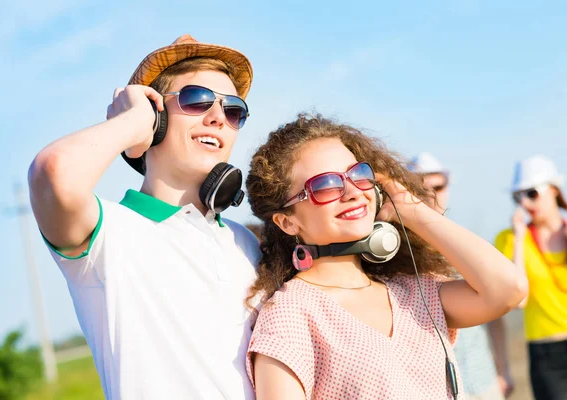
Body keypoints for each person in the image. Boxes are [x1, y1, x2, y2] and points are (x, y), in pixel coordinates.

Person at [28, 34, 260, 399]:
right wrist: (133, 120)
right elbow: (54, 173)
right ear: (157, 117)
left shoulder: (247, 242)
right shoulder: (107, 234)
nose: (218, 117)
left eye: (234, 110)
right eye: (197, 100)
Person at [244, 114, 527, 400]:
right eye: (326, 185)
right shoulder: (290, 315)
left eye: (358, 174)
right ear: (287, 222)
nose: (353, 192)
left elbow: (508, 289)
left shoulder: (413, 294)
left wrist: (408, 207)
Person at [410, 152, 509, 400]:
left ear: (448, 187)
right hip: (431, 386)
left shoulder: (472, 246)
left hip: (481, 377)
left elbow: (496, 314)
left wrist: (503, 368)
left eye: (438, 186)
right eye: (421, 189)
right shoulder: (397, 251)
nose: (431, 195)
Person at [495, 155, 567, 400]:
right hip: (545, 353)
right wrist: (518, 238)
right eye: (518, 196)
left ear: (554, 190)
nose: (525, 203)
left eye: (532, 193)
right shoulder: (509, 239)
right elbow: (519, 300)